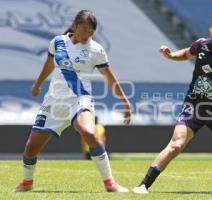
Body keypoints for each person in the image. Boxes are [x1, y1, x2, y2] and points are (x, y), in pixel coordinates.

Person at [133, 14, 212, 194]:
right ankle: (143, 185)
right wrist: (171, 55)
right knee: (176, 144)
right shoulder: (202, 45)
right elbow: (186, 53)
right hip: (194, 106)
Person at [14, 10, 131, 193]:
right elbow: (49, 64)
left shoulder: (96, 50)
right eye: (83, 29)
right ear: (74, 26)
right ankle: (27, 183)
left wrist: (125, 102)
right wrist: (37, 84)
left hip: (80, 98)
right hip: (54, 101)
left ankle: (110, 183)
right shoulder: (57, 42)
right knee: (31, 148)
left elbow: (110, 77)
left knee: (88, 132)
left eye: (91, 31)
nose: (87, 35)